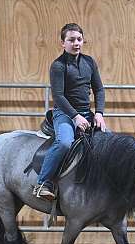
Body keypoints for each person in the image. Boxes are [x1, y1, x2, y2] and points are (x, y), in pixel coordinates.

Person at [33, 23, 107, 200]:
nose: (76, 43)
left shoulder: (89, 62)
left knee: (108, 142)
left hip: (87, 113)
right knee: (65, 142)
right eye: (71, 40)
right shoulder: (58, 66)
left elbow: (99, 90)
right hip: (64, 113)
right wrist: (75, 117)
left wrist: (99, 113)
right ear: (62, 43)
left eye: (79, 39)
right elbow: (58, 96)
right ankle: (42, 183)